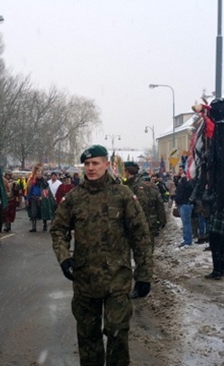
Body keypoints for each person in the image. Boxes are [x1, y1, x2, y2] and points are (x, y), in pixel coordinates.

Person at [50, 145, 152, 366]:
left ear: (106, 165)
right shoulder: (75, 197)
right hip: (85, 280)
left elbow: (140, 235)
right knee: (88, 337)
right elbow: (58, 229)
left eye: (95, 163)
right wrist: (64, 257)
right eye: (87, 164)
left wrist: (144, 275)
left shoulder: (123, 195)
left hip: (117, 279)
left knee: (117, 333)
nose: (90, 168)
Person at [123, 161, 166, 252]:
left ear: (127, 171)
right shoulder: (129, 184)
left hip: (142, 222)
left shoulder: (138, 186)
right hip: (133, 222)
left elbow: (142, 205)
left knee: (145, 248)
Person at [174, 166, 195, 247]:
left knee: (186, 223)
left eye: (181, 170)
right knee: (184, 223)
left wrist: (184, 179)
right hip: (181, 203)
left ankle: (188, 240)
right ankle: (185, 238)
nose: (179, 172)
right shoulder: (180, 179)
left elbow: (189, 187)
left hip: (185, 203)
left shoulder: (188, 179)